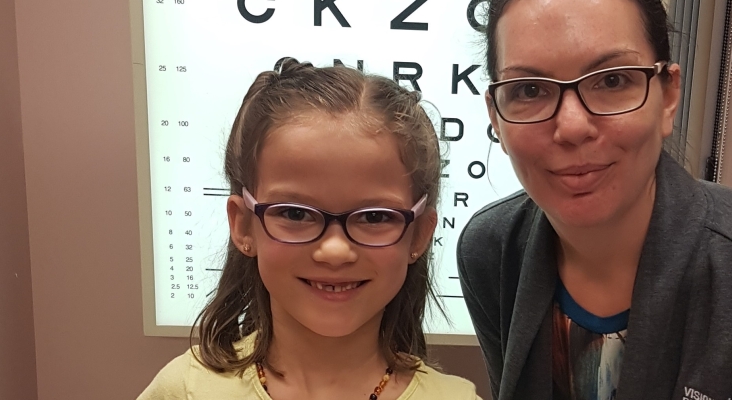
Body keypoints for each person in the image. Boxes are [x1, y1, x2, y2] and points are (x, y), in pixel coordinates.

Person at [456, 0, 732, 399]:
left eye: (611, 81)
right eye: (529, 90)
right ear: (496, 117)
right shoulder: (492, 252)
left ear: (667, 97)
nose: (572, 127)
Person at [139, 58, 480, 400]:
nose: (334, 251)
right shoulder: (185, 390)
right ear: (243, 225)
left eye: (375, 217)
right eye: (295, 213)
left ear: (419, 233)